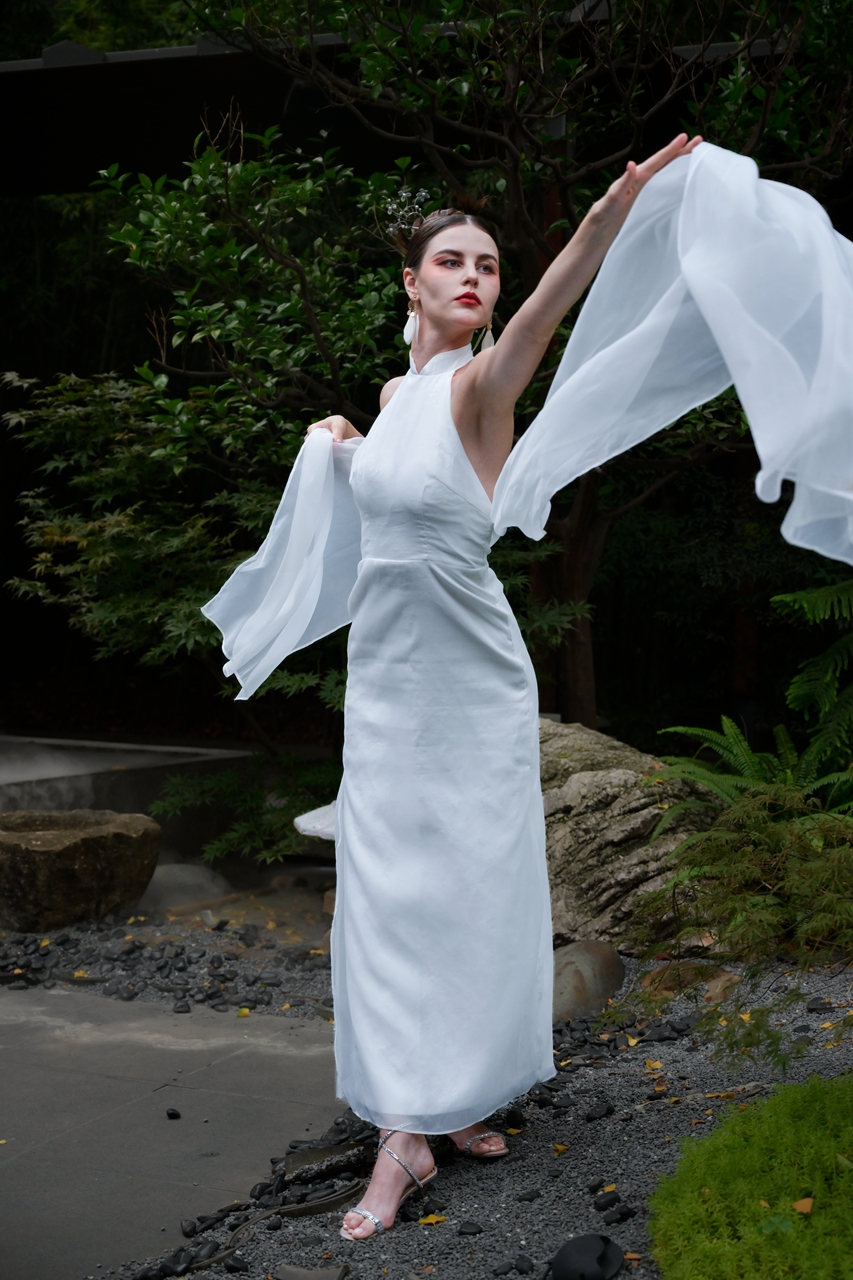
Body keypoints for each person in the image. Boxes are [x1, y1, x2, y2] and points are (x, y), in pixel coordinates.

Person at [295, 132, 702, 1242]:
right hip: (386, 680)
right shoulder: (398, 393)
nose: (474, 277)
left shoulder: (483, 382)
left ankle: (419, 1123)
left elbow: (545, 311)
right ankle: (426, 1109)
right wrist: (344, 443)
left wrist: (610, 210)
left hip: (467, 679)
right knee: (390, 893)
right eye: (453, 262)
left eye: (487, 264)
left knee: (472, 886)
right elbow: (397, 488)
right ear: (412, 282)